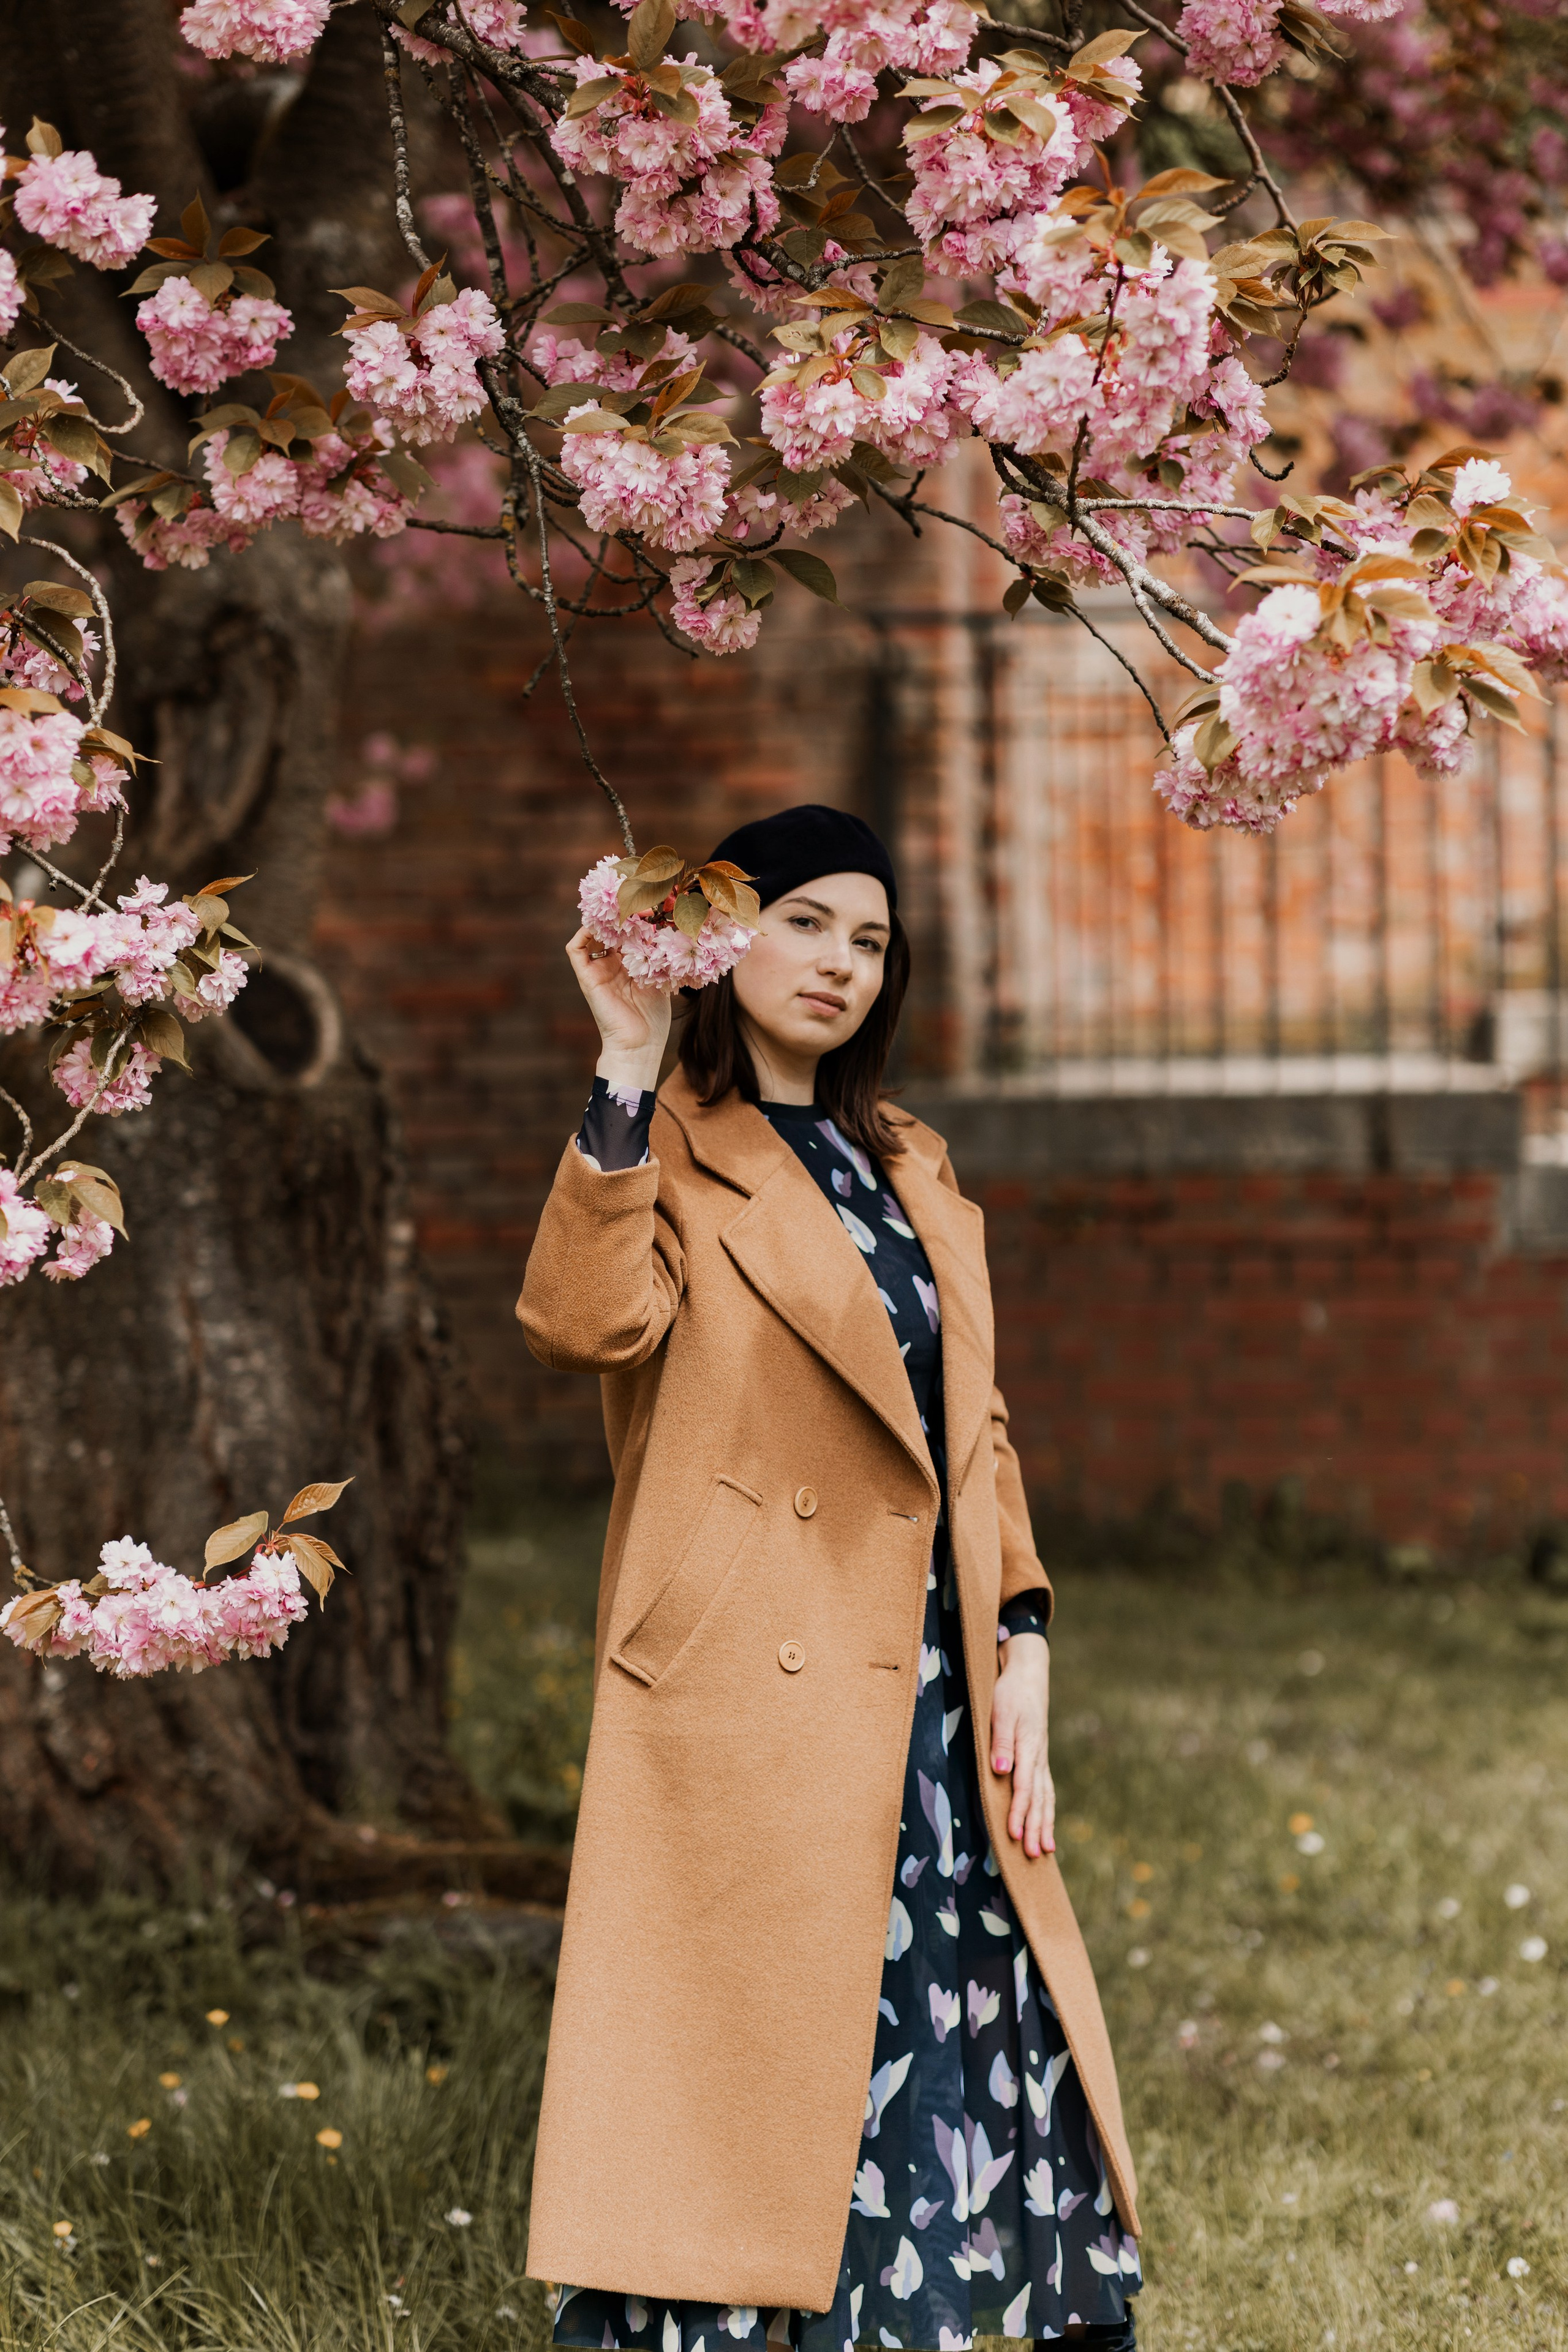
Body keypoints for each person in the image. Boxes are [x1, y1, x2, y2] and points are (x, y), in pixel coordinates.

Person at [518, 804, 1141, 2351]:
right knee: (745, 2068)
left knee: (931, 2012)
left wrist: (1024, 1628)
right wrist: (622, 1059)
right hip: (748, 1681)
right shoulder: (654, 1143)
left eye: (869, 940)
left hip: (929, 1685)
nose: (842, 965)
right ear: (724, 939)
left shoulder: (908, 1160)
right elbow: (583, 1326)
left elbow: (974, 1426)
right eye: (805, 924)